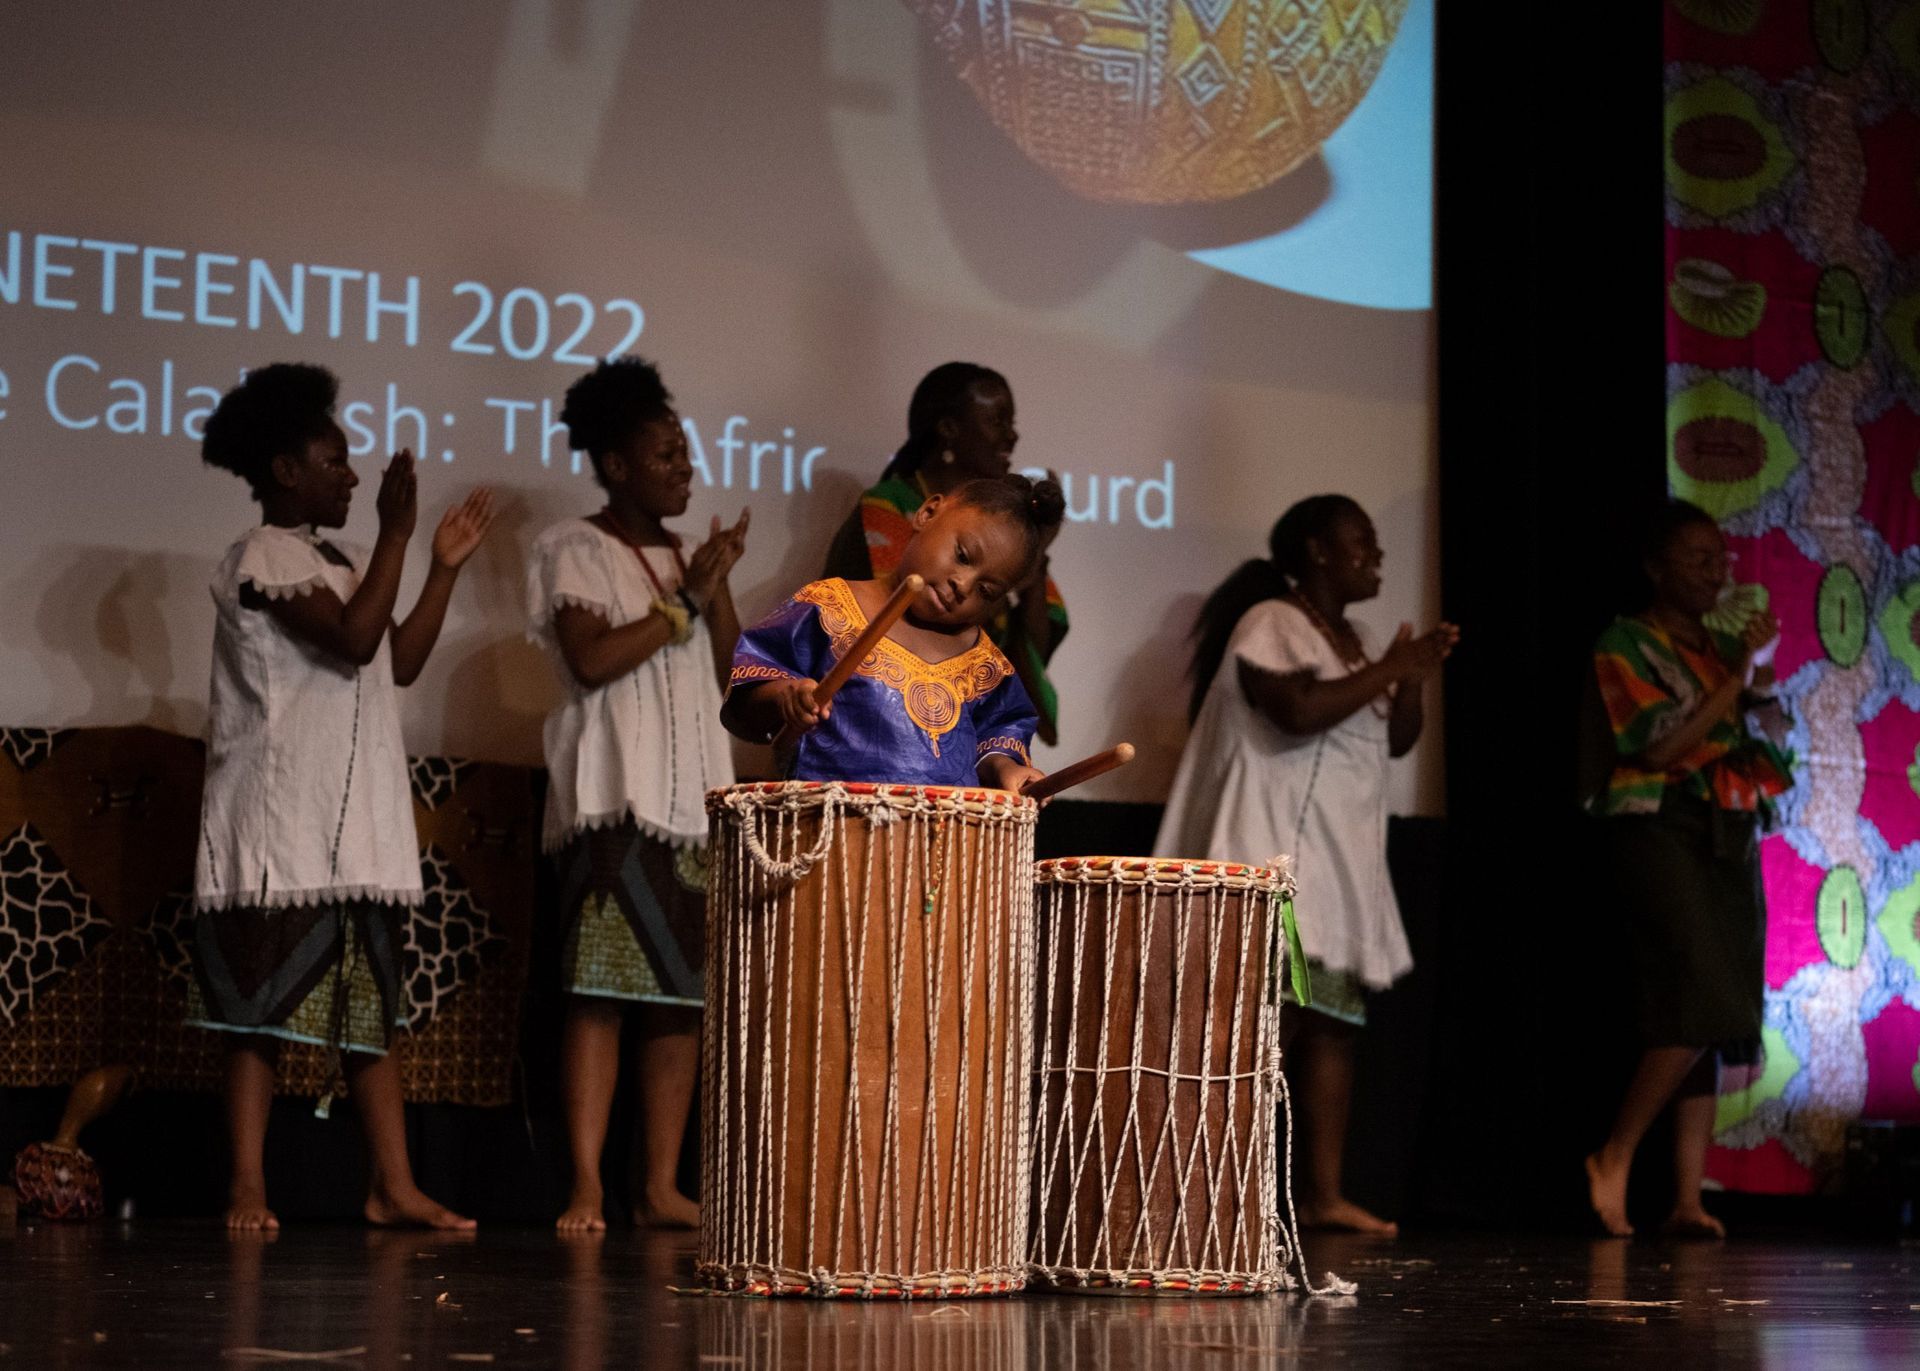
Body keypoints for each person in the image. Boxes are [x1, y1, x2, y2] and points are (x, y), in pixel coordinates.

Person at [191, 362, 495, 1232]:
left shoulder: (343, 558)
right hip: (280, 822)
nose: (355, 476)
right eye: (336, 460)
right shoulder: (262, 555)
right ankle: (248, 1183)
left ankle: (390, 1183)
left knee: (369, 1014)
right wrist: (397, 536)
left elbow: (395, 659)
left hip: (354, 822)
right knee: (258, 1011)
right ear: (286, 471)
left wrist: (435, 567)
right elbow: (357, 638)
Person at [1154, 494, 1457, 1236]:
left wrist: (1409, 678)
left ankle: (1323, 1195)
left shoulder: (1355, 636)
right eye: (1362, 541)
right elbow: (1294, 709)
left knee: (1332, 1025)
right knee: (1269, 1024)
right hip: (1274, 857)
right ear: (1317, 550)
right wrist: (1389, 665)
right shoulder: (1272, 621)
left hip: (1340, 868)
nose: (1377, 554)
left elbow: (1394, 742)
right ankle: (1219, 1190)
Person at [528, 357, 749, 1233]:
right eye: (665, 453)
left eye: (686, 451)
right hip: (613, 802)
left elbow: (737, 679)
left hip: (695, 806)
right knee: (600, 994)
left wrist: (715, 587)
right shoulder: (571, 547)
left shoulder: (691, 561)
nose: (685, 467)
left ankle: (657, 1184)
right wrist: (683, 600)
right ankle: (587, 1185)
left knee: (679, 999)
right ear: (616, 464)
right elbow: (590, 660)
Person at [1583, 500, 1788, 1239]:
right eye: (1699, 558)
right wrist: (1737, 678)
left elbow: (1770, 740)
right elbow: (1657, 746)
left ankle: (1685, 1195)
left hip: (1729, 825)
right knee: (1698, 991)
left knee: (1721, 1008)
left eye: (1721, 558)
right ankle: (1614, 1153)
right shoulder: (1625, 641)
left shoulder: (1721, 646)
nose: (1716, 571)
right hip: (1660, 825)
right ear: (1655, 566)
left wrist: (1755, 680)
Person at [725, 473, 1058, 792]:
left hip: (942, 842)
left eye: (985, 590)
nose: (963, 585)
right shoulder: (829, 606)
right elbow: (751, 687)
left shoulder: (987, 666)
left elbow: (997, 739)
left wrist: (1007, 769)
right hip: (831, 833)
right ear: (927, 513)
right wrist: (787, 695)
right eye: (963, 556)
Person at [821, 363, 1070, 744]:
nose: (1012, 434)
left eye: (987, 589)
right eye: (997, 420)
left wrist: (1034, 560)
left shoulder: (1001, 529)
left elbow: (1035, 648)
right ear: (949, 429)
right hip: (879, 721)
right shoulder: (887, 507)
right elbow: (899, 618)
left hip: (973, 722)